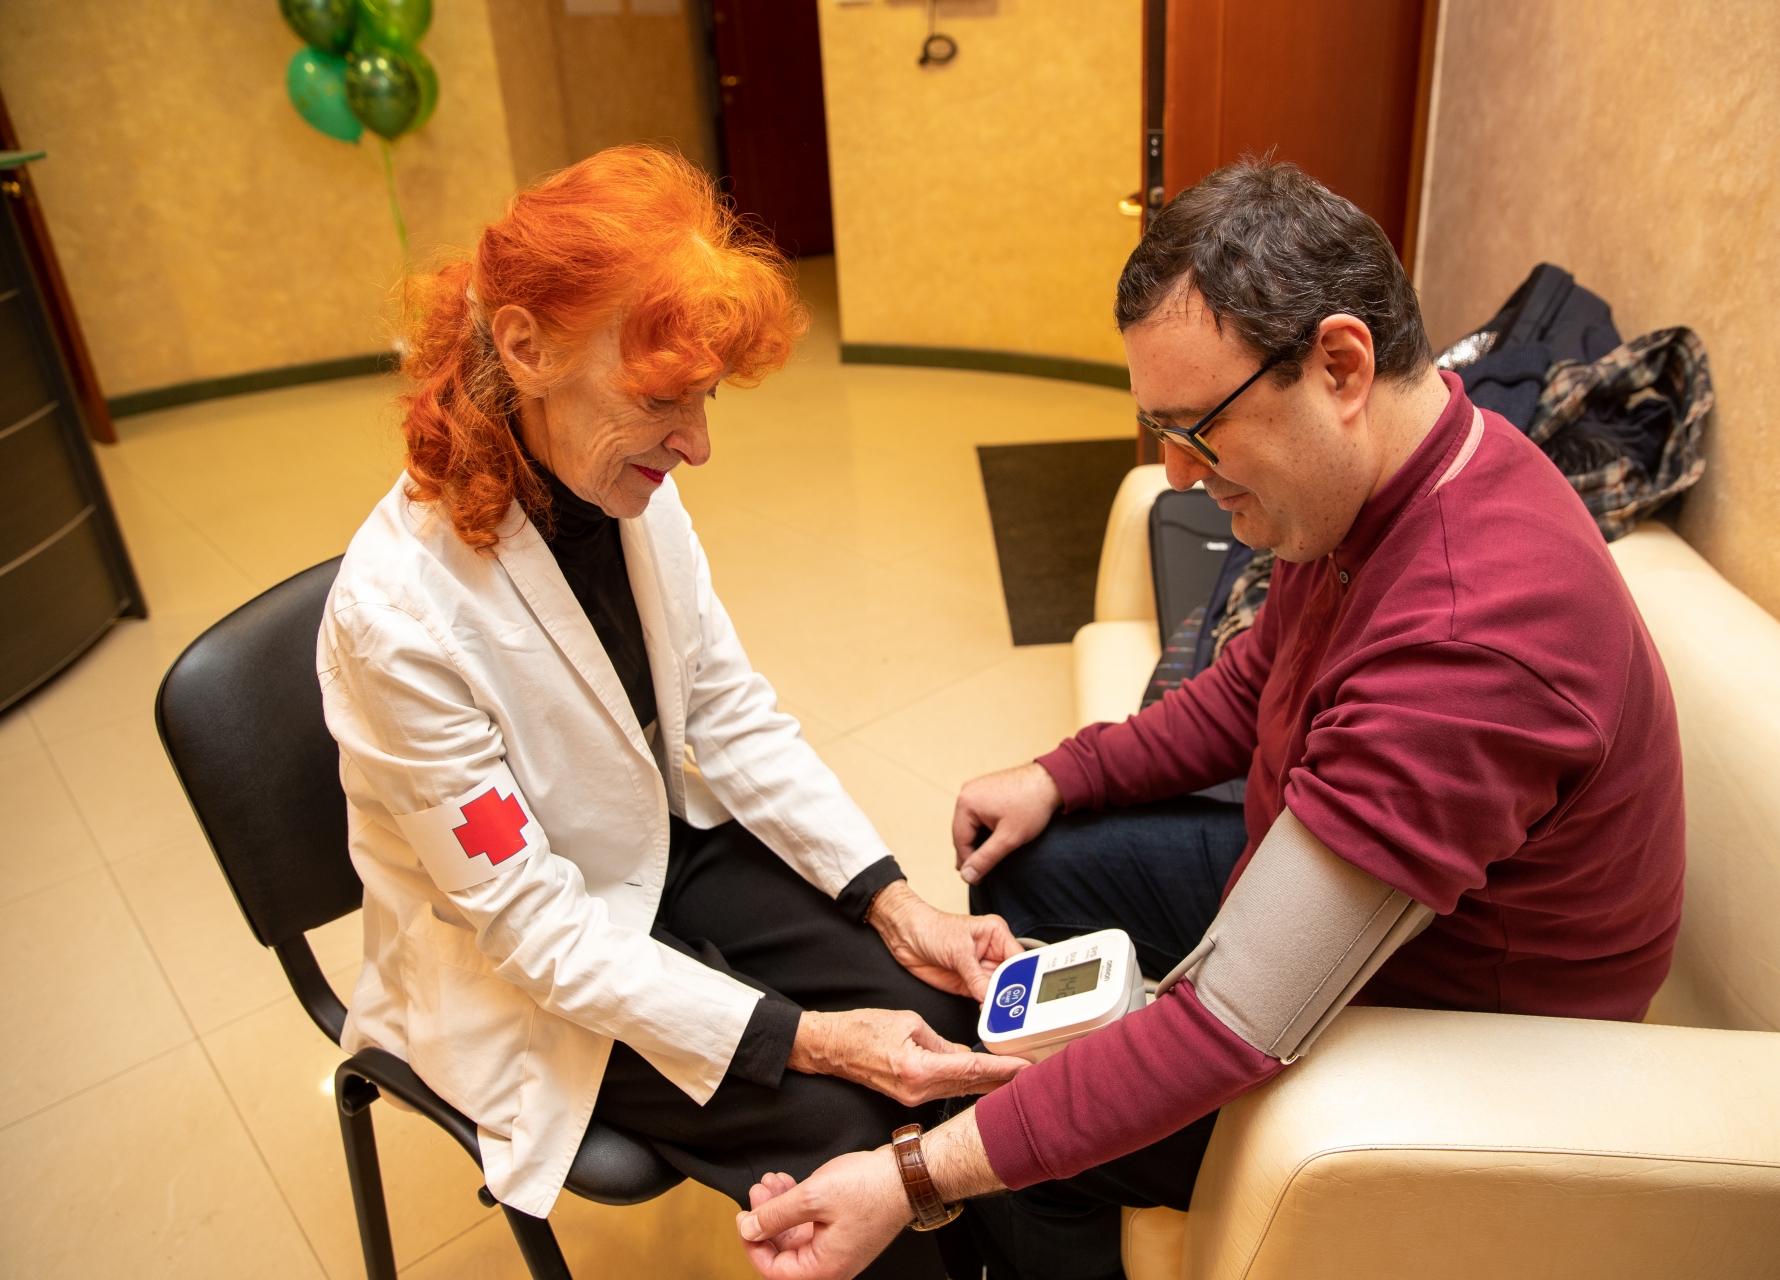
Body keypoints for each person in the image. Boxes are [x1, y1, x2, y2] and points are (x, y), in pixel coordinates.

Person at [733, 160, 1686, 1280]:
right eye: (1160, 425)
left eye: (1200, 426)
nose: (1179, 473)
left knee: (1018, 1134)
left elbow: (1231, 1018)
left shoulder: (1468, 640)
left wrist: (915, 1174)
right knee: (1035, 866)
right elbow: (1252, 686)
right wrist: (1062, 773)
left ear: (1341, 366)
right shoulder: (1377, 488)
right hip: (1379, 917)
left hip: (1456, 1037)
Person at [317, 147, 1024, 1280]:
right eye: (660, 400)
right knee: (849, 1132)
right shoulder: (397, 616)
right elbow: (537, 930)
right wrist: (818, 1040)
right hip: (522, 961)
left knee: (937, 1019)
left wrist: (897, 907)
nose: (696, 444)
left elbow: (728, 713)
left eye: (703, 397)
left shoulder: (624, 485)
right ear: (525, 348)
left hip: (649, 848)